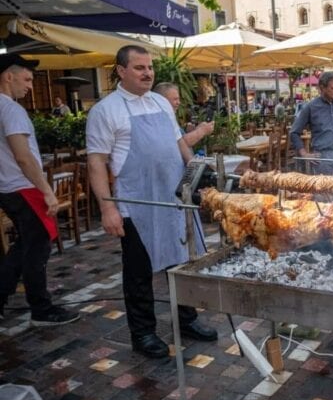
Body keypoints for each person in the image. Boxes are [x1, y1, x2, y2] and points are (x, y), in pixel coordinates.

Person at [86, 46, 217, 359]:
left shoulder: (160, 102)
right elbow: (96, 163)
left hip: (173, 198)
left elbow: (178, 144)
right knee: (139, 272)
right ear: (120, 71)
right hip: (136, 204)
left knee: (184, 262)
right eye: (139, 67)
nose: (148, 73)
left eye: (150, 67)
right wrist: (108, 208)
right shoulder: (106, 111)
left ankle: (186, 319)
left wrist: (195, 171)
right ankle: (142, 333)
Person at [0, 55, 80, 325]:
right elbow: (23, 156)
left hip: (7, 187)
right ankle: (41, 309)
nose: (31, 87)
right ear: (8, 77)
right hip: (24, 187)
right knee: (37, 248)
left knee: (25, 246)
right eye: (27, 79)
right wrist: (47, 189)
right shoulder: (11, 110)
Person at [154, 82, 215, 149]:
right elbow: (179, 144)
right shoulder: (159, 119)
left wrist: (193, 131)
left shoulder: (168, 117)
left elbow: (180, 139)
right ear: (162, 100)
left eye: (178, 99)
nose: (178, 103)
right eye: (175, 99)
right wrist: (202, 131)